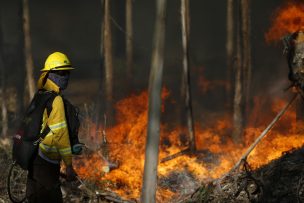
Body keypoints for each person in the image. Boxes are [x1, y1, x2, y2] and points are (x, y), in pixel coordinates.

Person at [26, 52, 77, 203]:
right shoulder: (56, 100)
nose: (65, 76)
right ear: (50, 74)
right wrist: (68, 165)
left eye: (67, 72)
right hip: (46, 161)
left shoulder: (41, 94)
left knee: (34, 198)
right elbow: (61, 135)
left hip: (34, 156)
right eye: (61, 73)